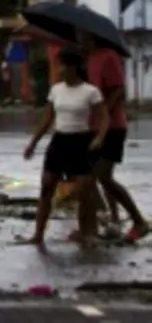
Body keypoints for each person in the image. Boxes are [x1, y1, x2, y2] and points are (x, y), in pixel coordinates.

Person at [20, 48, 109, 247]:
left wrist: (100, 138)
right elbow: (47, 119)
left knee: (83, 191)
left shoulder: (90, 91)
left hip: (81, 141)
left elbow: (104, 117)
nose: (58, 69)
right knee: (47, 187)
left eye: (61, 65)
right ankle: (38, 235)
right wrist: (33, 143)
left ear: (73, 67)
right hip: (59, 141)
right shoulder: (56, 90)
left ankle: (86, 232)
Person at [77, 31, 149, 242]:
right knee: (87, 178)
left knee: (102, 176)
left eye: (82, 36)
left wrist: (104, 111)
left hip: (113, 127)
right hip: (91, 126)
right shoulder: (87, 59)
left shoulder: (108, 55)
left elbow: (118, 90)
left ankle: (138, 221)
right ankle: (90, 226)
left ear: (92, 36)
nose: (79, 39)